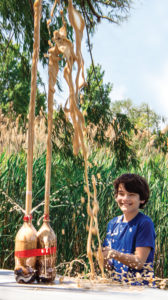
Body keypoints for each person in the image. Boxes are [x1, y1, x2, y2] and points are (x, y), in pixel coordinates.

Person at [102, 173, 156, 285]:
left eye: (131, 194)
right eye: (121, 194)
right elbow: (109, 266)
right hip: (118, 287)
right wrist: (102, 258)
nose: (125, 199)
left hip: (141, 288)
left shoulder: (144, 223)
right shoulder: (112, 224)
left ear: (142, 199)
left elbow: (139, 262)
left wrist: (113, 254)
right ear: (116, 196)